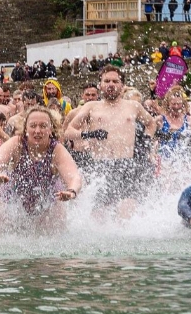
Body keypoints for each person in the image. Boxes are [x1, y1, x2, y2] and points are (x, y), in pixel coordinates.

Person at [62, 67, 156, 216]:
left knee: (126, 211)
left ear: (122, 86)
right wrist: (90, 134)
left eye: (115, 81)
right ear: (100, 85)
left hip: (128, 165)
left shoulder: (133, 106)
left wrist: (146, 140)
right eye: (106, 81)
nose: (110, 84)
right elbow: (68, 132)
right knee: (99, 215)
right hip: (101, 166)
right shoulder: (91, 106)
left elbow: (151, 124)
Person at [0, 106, 83, 231]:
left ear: (50, 129)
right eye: (33, 126)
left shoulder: (56, 149)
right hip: (13, 199)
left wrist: (71, 191)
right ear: (25, 128)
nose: (37, 130)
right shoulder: (17, 143)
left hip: (48, 200)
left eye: (43, 126)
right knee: (0, 232)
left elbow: (74, 176)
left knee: (57, 228)